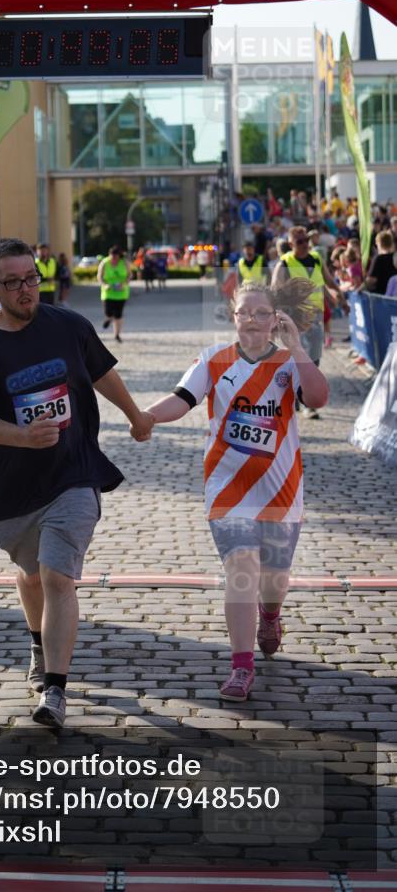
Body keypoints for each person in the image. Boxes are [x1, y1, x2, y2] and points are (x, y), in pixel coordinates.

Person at [0, 238, 154, 728]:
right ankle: (38, 642)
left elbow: (102, 372)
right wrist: (21, 436)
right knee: (32, 573)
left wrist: (136, 415)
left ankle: (56, 691)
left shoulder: (68, 325)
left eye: (32, 278)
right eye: (14, 282)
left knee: (59, 577)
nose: (27, 290)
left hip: (73, 472)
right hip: (13, 489)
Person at [145, 279, 329, 702]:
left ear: (275, 319)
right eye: (244, 312)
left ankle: (271, 614)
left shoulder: (287, 363)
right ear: (233, 316)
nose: (252, 320)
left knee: (274, 578)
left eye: (261, 313)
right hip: (227, 489)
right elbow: (181, 399)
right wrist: (148, 417)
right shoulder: (213, 360)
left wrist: (297, 347)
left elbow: (318, 398)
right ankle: (241, 667)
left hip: (280, 491)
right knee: (242, 569)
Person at [271, 225, 346, 419]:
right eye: (300, 242)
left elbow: (328, 281)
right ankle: (306, 402)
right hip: (295, 321)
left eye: (306, 240)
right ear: (290, 244)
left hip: (315, 319)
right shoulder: (284, 264)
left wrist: (340, 299)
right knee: (302, 360)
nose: (305, 245)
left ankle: (297, 397)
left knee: (314, 360)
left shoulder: (315, 258)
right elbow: (274, 293)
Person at [97, 245, 130, 343]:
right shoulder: (104, 263)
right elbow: (99, 277)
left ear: (119, 256)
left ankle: (117, 335)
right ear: (109, 255)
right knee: (108, 312)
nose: (114, 260)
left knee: (118, 314)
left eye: (116, 258)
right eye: (112, 257)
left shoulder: (124, 262)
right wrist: (104, 285)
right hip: (108, 292)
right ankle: (108, 318)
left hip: (121, 293)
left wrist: (124, 284)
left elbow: (130, 275)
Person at [365, 230, 397, 295]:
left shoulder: (378, 259)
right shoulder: (395, 256)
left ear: (378, 243)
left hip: (381, 296)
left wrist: (359, 289)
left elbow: (371, 280)